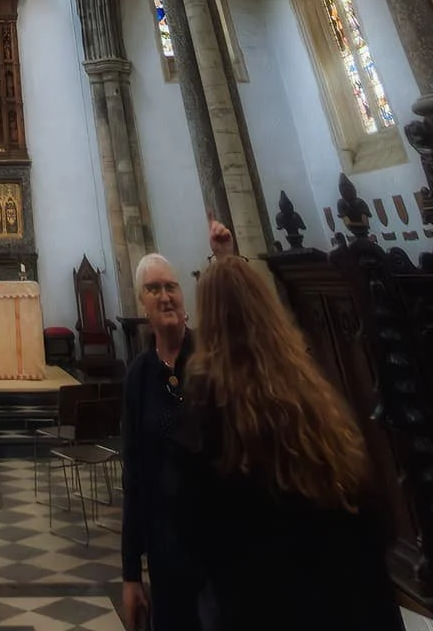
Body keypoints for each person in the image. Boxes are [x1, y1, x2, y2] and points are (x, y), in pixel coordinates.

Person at [169, 256, 399, 630]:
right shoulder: (320, 400)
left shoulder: (210, 411)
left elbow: (191, 532)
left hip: (258, 608)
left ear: (207, 325)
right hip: (346, 604)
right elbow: (376, 518)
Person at [121, 221, 232, 631]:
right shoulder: (138, 376)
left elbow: (246, 335)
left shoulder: (213, 357)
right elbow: (133, 475)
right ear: (142, 304)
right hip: (168, 552)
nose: (164, 296)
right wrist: (131, 574)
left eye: (171, 286)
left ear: (183, 298)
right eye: (154, 290)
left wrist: (225, 261)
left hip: (223, 541)